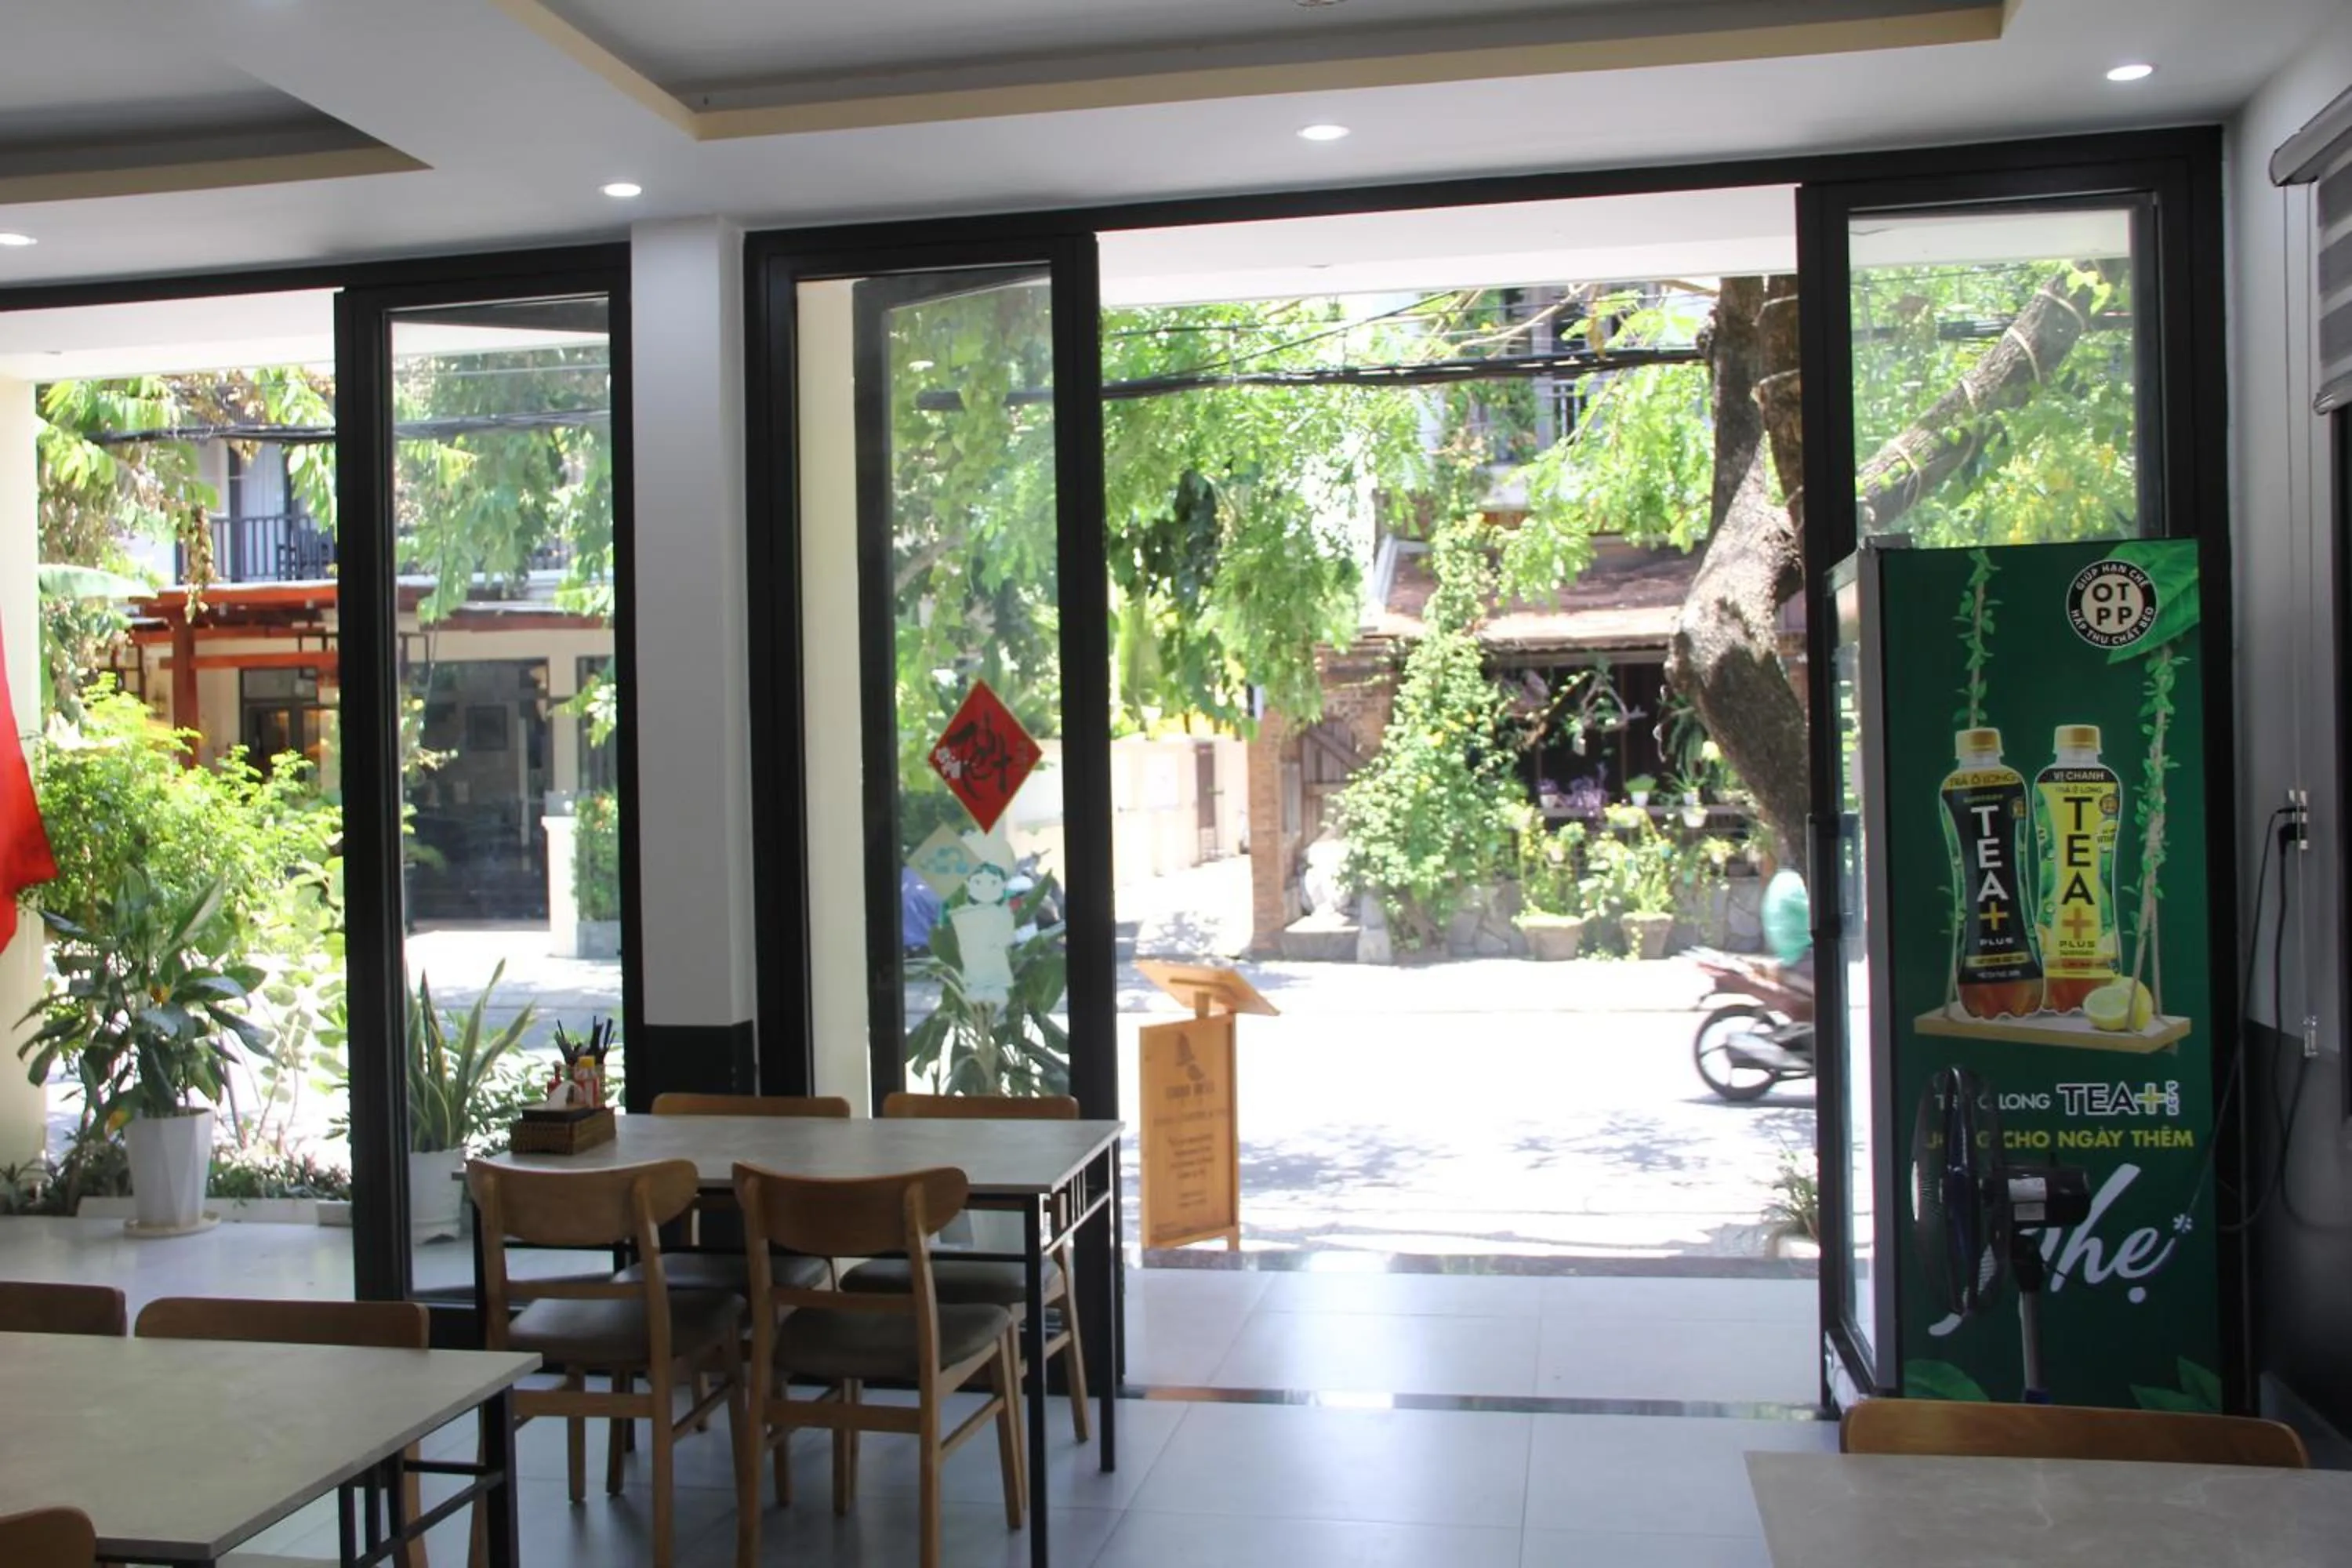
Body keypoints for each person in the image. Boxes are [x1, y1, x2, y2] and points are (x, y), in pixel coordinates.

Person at [1759, 846, 1813, 985]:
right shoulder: (1794, 882)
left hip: (1784, 951)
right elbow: (1813, 912)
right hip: (1799, 952)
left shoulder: (1778, 881)